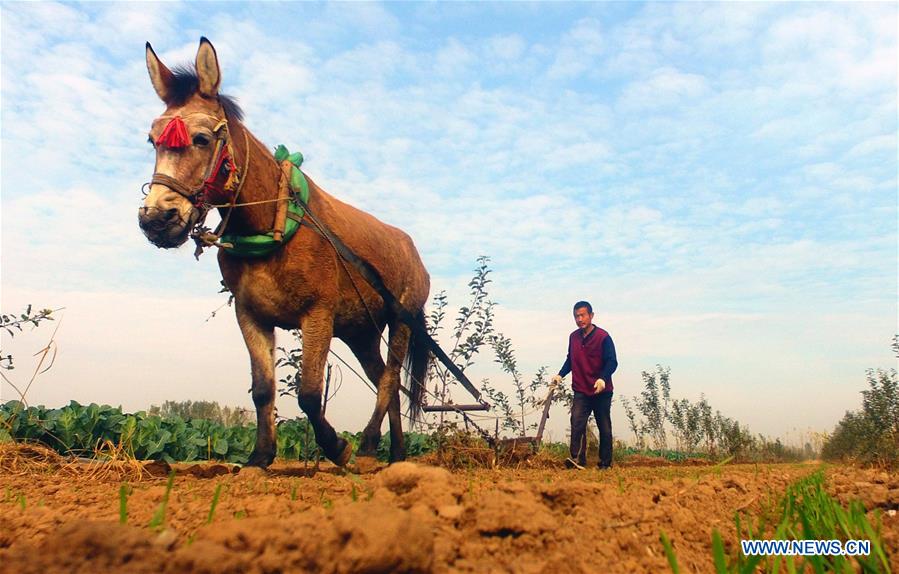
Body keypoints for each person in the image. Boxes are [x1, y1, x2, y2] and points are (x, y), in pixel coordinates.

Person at [551, 301, 618, 469]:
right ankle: (577, 459)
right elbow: (570, 359)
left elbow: (612, 362)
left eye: (582, 315)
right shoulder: (573, 337)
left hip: (601, 390)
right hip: (581, 389)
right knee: (577, 421)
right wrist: (560, 375)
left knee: (604, 426)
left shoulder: (603, 337)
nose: (579, 319)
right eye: (576, 316)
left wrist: (603, 378)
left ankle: (605, 463)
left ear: (591, 316)